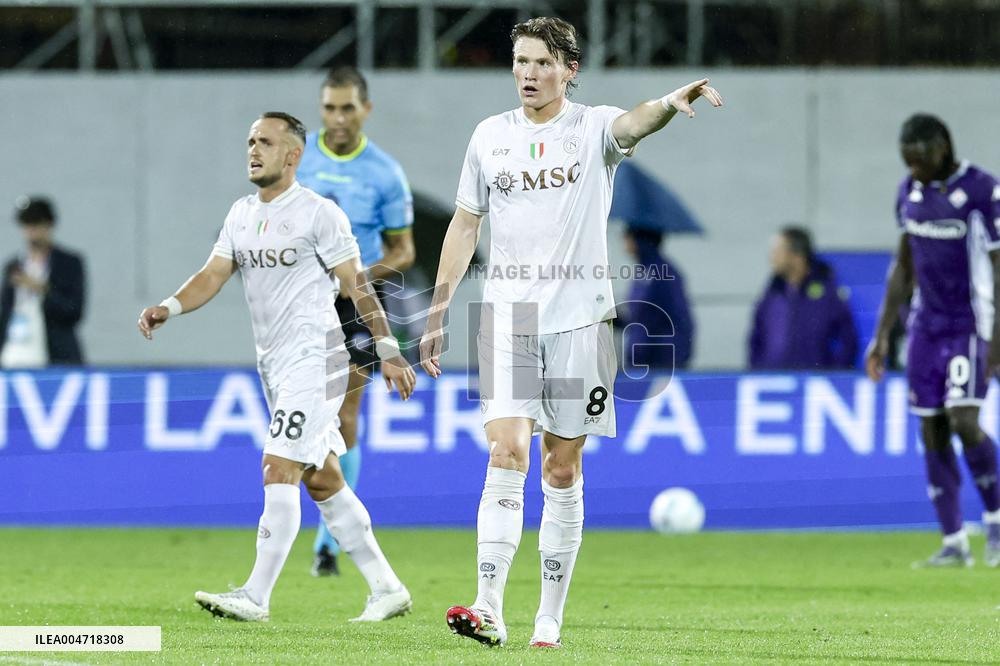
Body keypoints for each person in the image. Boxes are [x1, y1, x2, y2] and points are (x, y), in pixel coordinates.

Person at [418, 17, 722, 648]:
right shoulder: (489, 137)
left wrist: (670, 101)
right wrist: (439, 310)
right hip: (508, 317)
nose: (528, 74)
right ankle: (489, 607)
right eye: (520, 62)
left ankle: (549, 617)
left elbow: (635, 122)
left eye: (541, 63)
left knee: (561, 467)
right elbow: (465, 227)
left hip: (581, 318)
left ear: (569, 69)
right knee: (506, 453)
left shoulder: (589, 129)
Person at [137, 112, 416, 622]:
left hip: (317, 357)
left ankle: (255, 596)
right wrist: (169, 307)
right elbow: (212, 274)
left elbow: (356, 283)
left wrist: (388, 347)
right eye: (249, 141)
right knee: (322, 479)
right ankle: (387, 588)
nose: (253, 149)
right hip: (275, 364)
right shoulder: (241, 214)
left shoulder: (318, 214)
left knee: (278, 466)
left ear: (293, 155)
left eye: (265, 142)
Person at [866, 113, 1000, 568]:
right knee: (931, 427)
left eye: (920, 161)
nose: (915, 171)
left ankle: (997, 521)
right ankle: (954, 541)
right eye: (908, 163)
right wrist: (882, 335)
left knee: (965, 421)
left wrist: (998, 339)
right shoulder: (909, 192)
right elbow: (904, 267)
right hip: (925, 328)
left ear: (942, 146)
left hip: (970, 324)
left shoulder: (984, 191)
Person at [298, 66, 415, 577]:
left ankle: (328, 540)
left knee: (343, 417)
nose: (338, 117)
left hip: (358, 302)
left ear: (365, 109)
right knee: (305, 415)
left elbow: (404, 249)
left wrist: (356, 277)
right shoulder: (298, 164)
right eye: (329, 107)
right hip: (303, 301)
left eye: (347, 107)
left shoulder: (385, 173)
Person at [748, 226, 858, 369]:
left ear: (796, 256)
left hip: (815, 385)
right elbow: (756, 339)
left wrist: (835, 374)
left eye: (777, 251)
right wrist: (758, 370)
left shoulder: (827, 293)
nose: (772, 257)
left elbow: (848, 339)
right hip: (772, 383)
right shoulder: (771, 293)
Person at [0, 196, 86, 367]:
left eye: (36, 222)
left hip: (54, 354)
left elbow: (74, 311)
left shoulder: (68, 263)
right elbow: (4, 312)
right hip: (14, 351)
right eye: (26, 223)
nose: (31, 230)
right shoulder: (13, 265)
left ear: (49, 224)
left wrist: (42, 289)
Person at [619, 224, 695, 370]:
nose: (624, 241)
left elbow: (679, 321)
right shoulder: (645, 272)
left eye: (627, 236)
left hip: (659, 364)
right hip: (642, 361)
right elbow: (642, 318)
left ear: (640, 239)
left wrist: (671, 360)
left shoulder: (664, 274)